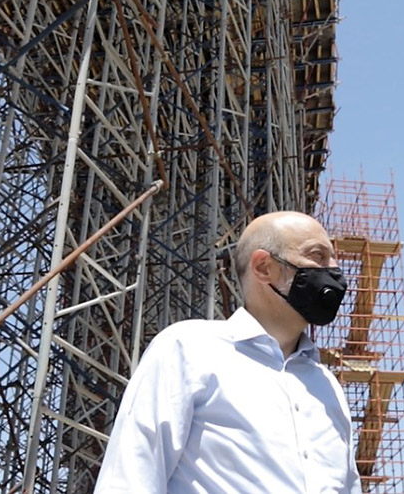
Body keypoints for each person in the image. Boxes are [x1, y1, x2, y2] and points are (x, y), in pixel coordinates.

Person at [94, 211, 361, 493]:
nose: (335, 270)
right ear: (264, 267)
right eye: (318, 256)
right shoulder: (189, 349)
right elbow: (131, 476)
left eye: (333, 259)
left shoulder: (327, 385)